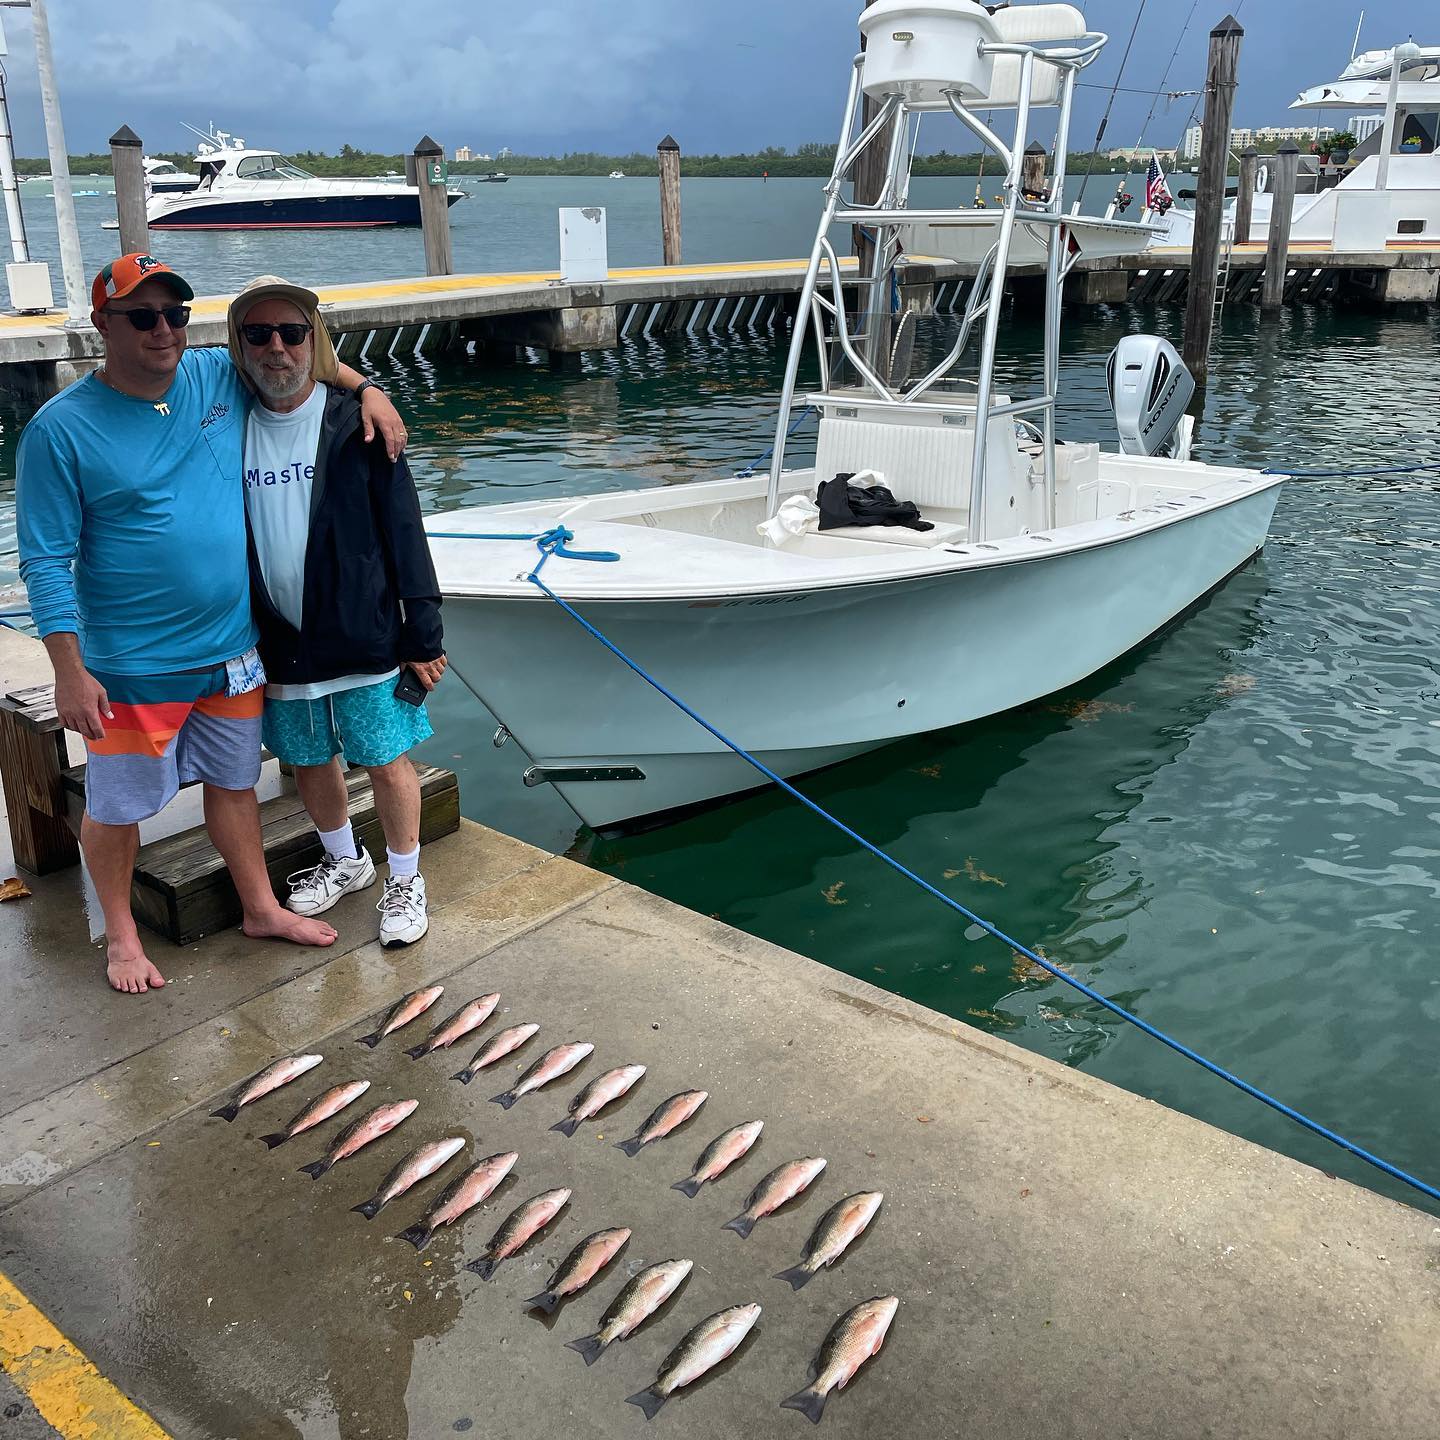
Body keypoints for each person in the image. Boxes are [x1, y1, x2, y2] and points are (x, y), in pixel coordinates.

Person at [16, 253, 409, 994]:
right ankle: (123, 938)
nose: (164, 330)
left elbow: (294, 362)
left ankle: (261, 907)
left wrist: (371, 390)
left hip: (232, 652)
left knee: (234, 785)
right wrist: (70, 670)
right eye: (142, 316)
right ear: (103, 324)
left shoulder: (212, 375)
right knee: (117, 805)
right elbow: (43, 560)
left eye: (175, 314)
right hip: (133, 664)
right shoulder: (59, 431)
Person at [228, 276, 445, 948]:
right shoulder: (224, 424)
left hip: (365, 633)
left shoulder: (358, 422)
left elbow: (405, 531)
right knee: (311, 760)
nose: (276, 347)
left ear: (314, 340)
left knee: (386, 758)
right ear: (238, 344)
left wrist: (423, 631)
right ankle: (345, 859)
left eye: (293, 333)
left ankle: (405, 878)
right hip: (281, 640)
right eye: (258, 333)